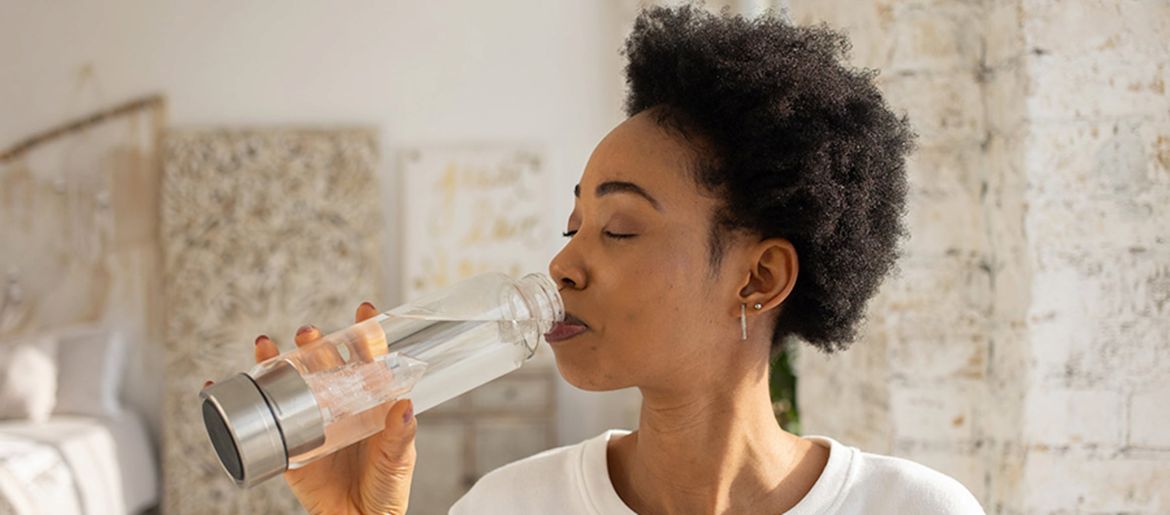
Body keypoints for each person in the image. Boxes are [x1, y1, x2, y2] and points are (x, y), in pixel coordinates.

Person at [235, 5, 986, 514]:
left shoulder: (915, 509)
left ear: (758, 277)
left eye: (619, 228)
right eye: (572, 224)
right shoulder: (508, 507)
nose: (563, 264)